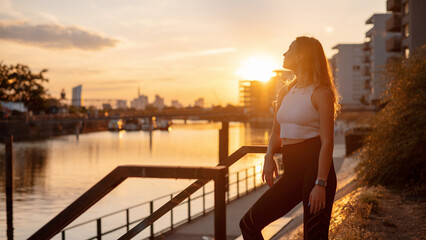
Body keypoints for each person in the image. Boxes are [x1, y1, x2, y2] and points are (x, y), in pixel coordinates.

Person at [239, 36, 341, 240]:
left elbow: (327, 142)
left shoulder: (321, 93)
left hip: (316, 171)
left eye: (290, 50)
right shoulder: (286, 91)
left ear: (302, 56)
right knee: (248, 224)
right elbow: (276, 131)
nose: (285, 53)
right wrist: (268, 156)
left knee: (314, 237)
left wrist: (321, 184)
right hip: (292, 171)